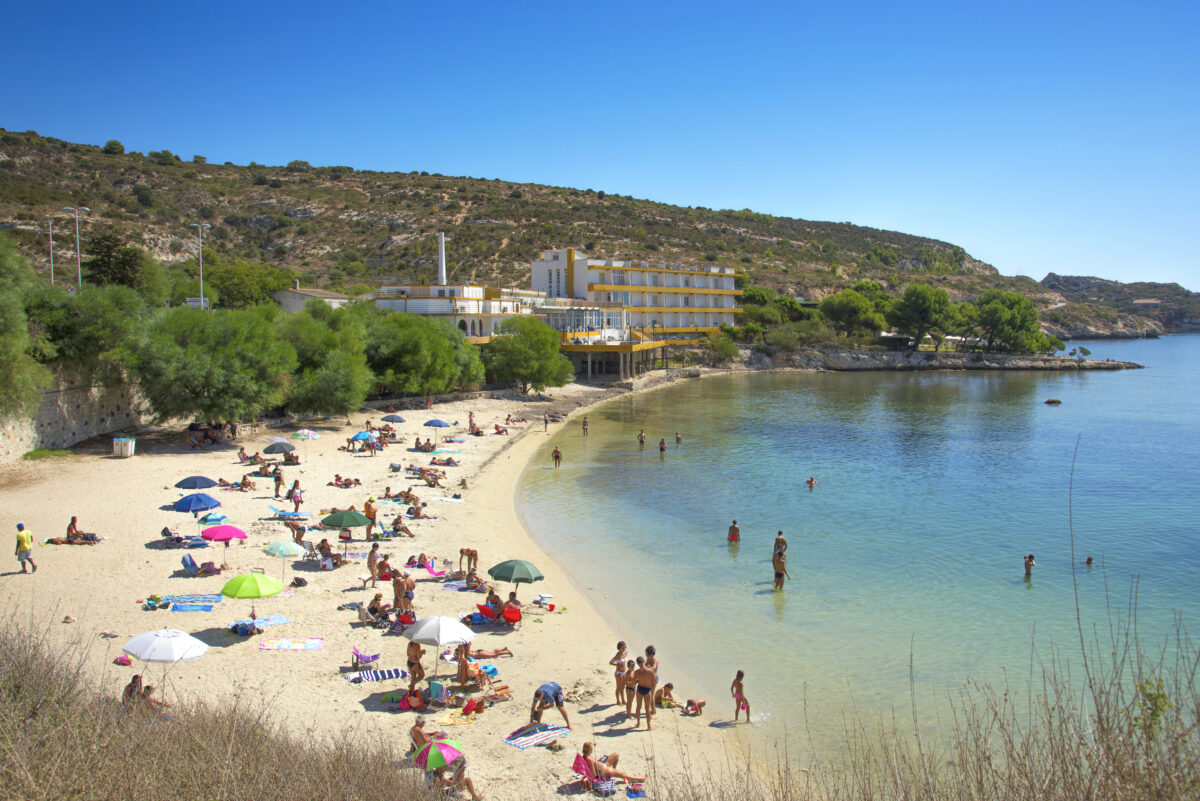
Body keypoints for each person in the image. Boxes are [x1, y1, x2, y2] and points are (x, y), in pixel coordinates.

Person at [581, 741, 646, 784]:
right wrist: (597, 765)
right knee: (622, 774)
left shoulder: (584, 756)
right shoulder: (590, 760)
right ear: (590, 750)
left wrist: (598, 761)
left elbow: (592, 766)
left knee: (616, 755)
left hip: (600, 764)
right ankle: (639, 779)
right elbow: (594, 775)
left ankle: (614, 770)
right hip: (602, 771)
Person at [632, 656, 657, 729]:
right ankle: (648, 726)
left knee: (638, 707)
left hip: (640, 689)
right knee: (647, 708)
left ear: (638, 663)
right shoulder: (650, 671)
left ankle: (638, 723)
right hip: (647, 689)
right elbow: (654, 682)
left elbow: (634, 682)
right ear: (644, 662)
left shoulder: (636, 672)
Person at [610, 641, 629, 706]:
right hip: (619, 673)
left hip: (624, 672)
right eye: (622, 648)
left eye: (625, 647)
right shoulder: (618, 655)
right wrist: (617, 665)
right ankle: (618, 701)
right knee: (618, 687)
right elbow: (611, 662)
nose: (624, 649)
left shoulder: (625, 653)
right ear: (619, 648)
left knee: (623, 687)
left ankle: (623, 700)